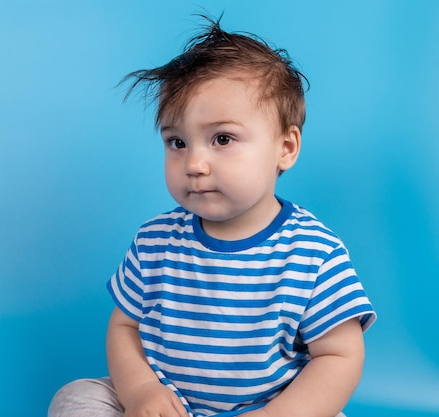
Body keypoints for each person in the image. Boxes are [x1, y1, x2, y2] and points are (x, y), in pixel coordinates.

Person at [48, 15, 376, 417]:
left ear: (285, 148)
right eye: (177, 142)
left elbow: (339, 357)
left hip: (272, 406)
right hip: (167, 407)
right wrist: (140, 391)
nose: (194, 163)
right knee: (77, 398)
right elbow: (124, 328)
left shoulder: (314, 253)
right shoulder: (155, 240)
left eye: (222, 139)